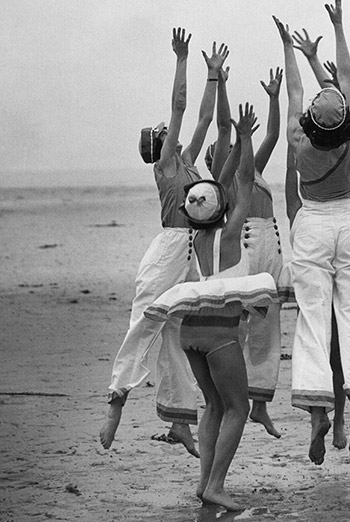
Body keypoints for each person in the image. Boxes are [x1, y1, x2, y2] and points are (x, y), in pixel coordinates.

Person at [99, 30, 229, 453]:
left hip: (193, 250)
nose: (170, 129)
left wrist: (214, 77)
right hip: (171, 247)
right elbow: (180, 107)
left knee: (177, 331)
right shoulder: (167, 164)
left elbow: (204, 119)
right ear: (160, 145)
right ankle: (117, 397)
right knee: (147, 318)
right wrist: (182, 59)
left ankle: (179, 420)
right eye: (164, 132)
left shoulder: (187, 162)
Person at [146, 104, 278, 512]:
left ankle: (205, 482)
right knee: (237, 407)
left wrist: (235, 142)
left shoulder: (199, 238)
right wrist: (245, 138)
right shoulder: (231, 233)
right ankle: (217, 484)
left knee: (214, 405)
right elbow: (244, 180)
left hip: (191, 332)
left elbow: (223, 186)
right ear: (223, 208)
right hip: (220, 333)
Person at [273, 0, 350, 465]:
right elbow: (346, 77)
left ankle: (317, 412)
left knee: (313, 318)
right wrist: (338, 27)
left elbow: (294, 91)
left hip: (312, 223)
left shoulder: (299, 140)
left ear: (312, 123)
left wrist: (288, 48)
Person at [209, 66, 285, 438]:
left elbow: (272, 133)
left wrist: (274, 99)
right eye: (220, 151)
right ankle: (229, 396)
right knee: (241, 322)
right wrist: (221, 85)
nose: (227, 151)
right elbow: (223, 127)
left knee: (268, 325)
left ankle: (260, 405)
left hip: (271, 241)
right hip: (248, 245)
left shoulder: (255, 170)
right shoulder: (221, 180)